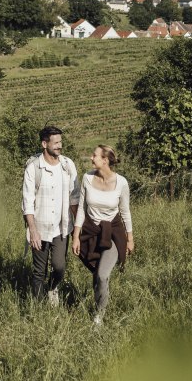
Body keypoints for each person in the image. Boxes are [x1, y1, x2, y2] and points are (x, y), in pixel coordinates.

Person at [72, 146, 134, 326]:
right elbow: (82, 210)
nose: (91, 158)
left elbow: (125, 212)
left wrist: (130, 238)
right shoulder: (87, 178)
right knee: (96, 273)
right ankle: (99, 302)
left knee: (102, 274)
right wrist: (76, 236)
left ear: (105, 160)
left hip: (113, 234)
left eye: (95, 155)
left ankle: (99, 316)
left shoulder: (121, 182)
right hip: (91, 232)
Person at [22, 125, 80, 305]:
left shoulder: (67, 165)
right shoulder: (33, 168)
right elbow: (27, 202)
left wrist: (76, 231)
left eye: (60, 142)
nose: (59, 146)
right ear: (44, 144)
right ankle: (38, 310)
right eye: (55, 143)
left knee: (59, 266)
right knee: (39, 272)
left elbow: (74, 198)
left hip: (61, 228)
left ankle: (53, 287)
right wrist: (33, 231)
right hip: (39, 228)